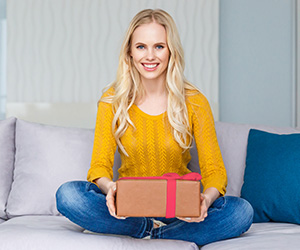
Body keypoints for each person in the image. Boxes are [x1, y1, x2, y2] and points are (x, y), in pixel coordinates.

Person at [56, 9, 253, 246]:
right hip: (128, 209)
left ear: (171, 51)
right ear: (129, 52)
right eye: (141, 47)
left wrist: (205, 200)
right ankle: (146, 229)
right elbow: (99, 166)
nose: (150, 56)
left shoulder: (194, 101)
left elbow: (215, 171)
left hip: (178, 210)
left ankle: (151, 234)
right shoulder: (112, 101)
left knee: (241, 211)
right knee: (68, 195)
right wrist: (110, 190)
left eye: (159, 46)